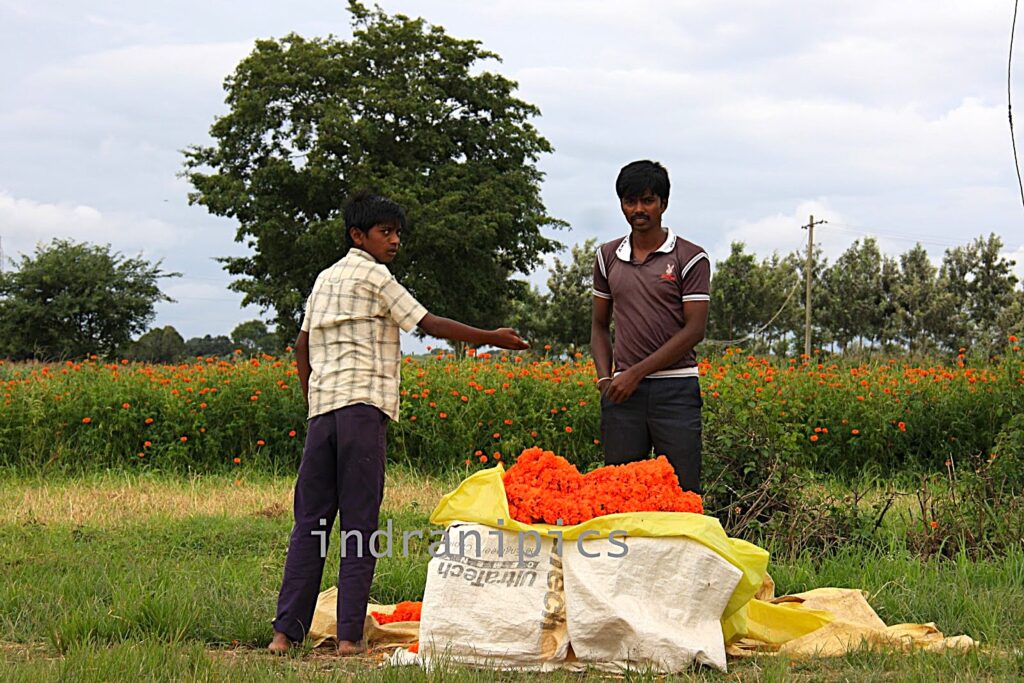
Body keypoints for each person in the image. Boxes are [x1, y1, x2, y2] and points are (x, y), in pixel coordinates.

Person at [268, 191, 528, 656]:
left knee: (310, 523)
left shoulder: (324, 279)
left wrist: (314, 396)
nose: (394, 241)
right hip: (362, 412)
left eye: (397, 233)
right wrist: (493, 338)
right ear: (358, 235)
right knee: (360, 525)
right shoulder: (377, 276)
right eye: (385, 232)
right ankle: (348, 638)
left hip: (322, 416)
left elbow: (301, 347)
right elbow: (427, 323)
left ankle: (284, 634)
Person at [590, 160, 710, 493]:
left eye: (647, 200)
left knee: (681, 492)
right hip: (622, 394)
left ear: (663, 204)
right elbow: (599, 327)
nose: (638, 209)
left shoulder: (691, 257)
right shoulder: (607, 256)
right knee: (619, 494)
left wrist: (636, 373)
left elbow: (694, 330)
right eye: (630, 202)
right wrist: (605, 380)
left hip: (676, 390)